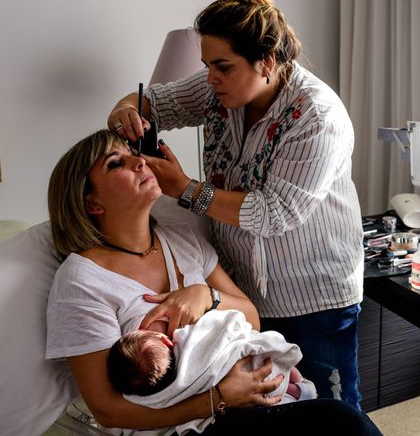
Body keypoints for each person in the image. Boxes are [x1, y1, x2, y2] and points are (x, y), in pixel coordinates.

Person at [107, 0, 364, 408]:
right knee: (269, 409)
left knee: (331, 410)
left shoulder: (316, 117)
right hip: (242, 291)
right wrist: (125, 111)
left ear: (265, 63)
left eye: (222, 67)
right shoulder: (216, 92)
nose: (211, 78)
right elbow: (151, 101)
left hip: (314, 296)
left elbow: (273, 213)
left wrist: (184, 189)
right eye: (208, 65)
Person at [46, 129, 381, 435]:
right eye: (116, 163)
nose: (140, 161)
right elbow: (107, 410)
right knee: (343, 423)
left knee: (345, 420)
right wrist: (219, 398)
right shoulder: (81, 280)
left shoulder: (181, 240)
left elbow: (250, 316)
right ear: (92, 202)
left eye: (134, 153)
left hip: (247, 400)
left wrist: (206, 296)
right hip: (184, 424)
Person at [107, 310, 318, 433]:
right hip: (254, 379)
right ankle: (297, 386)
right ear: (165, 340)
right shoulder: (187, 339)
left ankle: (295, 391)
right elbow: (225, 323)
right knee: (262, 353)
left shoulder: (152, 398)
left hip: (242, 403)